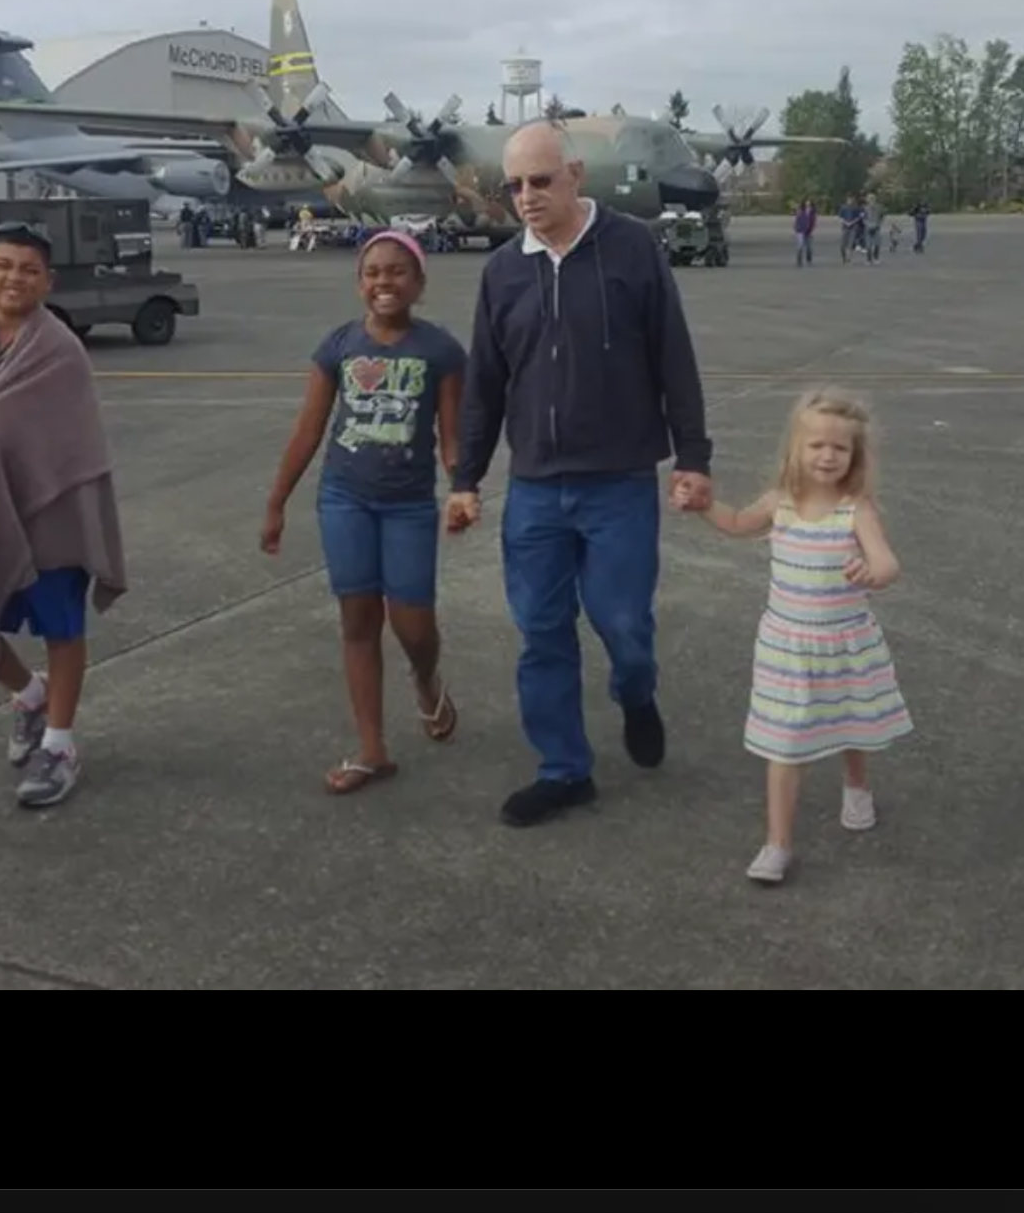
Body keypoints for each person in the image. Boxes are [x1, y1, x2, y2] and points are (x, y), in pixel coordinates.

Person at [445, 119, 713, 828]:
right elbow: (485, 386)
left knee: (623, 624)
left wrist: (693, 458)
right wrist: (466, 478)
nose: (525, 197)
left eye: (539, 181)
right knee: (541, 631)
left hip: (618, 481)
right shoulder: (503, 271)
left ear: (575, 175)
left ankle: (636, 693)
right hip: (535, 488)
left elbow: (673, 356)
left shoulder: (632, 249)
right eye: (513, 185)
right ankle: (564, 770)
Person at [673, 388, 912, 883]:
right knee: (783, 743)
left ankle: (856, 785)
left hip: (844, 642)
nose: (827, 455)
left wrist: (872, 573)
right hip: (786, 646)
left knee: (851, 721)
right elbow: (737, 524)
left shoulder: (856, 509)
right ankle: (777, 843)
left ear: (855, 455)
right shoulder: (779, 502)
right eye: (816, 444)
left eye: (839, 447)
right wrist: (704, 505)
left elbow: (887, 562)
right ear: (796, 449)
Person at [0, 220, 127, 808]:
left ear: (48, 282)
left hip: (52, 506)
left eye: (30, 270)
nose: (15, 277)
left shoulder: (60, 350)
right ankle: (30, 694)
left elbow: (73, 440)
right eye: (5, 265)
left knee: (61, 629)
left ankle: (60, 746)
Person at [261, 229, 465, 795]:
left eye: (397, 271)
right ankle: (372, 750)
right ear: (359, 284)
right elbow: (308, 430)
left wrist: (462, 489)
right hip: (344, 499)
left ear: (418, 282)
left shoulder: (441, 351)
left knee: (413, 625)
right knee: (357, 621)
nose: (384, 282)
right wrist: (277, 503)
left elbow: (453, 439)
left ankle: (426, 679)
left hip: (408, 506)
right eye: (372, 272)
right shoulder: (339, 346)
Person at [793, 197, 817, 267]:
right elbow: (797, 220)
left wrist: (811, 231)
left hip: (808, 232)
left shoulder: (812, 212)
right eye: (807, 202)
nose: (808, 204)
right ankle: (799, 261)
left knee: (809, 248)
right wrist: (796, 229)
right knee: (800, 246)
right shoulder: (800, 211)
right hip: (800, 231)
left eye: (809, 203)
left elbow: (813, 222)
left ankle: (809, 259)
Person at [838, 195, 862, 261]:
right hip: (845, 227)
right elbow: (840, 217)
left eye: (851, 200)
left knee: (850, 244)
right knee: (842, 245)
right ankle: (844, 257)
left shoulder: (856, 208)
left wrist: (852, 222)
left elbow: (858, 217)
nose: (850, 201)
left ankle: (849, 258)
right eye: (849, 200)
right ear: (847, 200)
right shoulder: (843, 207)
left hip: (853, 228)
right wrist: (845, 222)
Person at [864, 191, 884, 263]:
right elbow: (863, 218)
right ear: (867, 200)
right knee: (868, 245)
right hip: (868, 228)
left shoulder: (879, 207)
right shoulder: (865, 208)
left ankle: (876, 258)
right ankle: (868, 259)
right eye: (869, 198)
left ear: (875, 199)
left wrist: (878, 224)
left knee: (877, 244)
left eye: (872, 198)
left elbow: (881, 217)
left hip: (876, 227)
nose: (871, 200)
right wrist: (867, 224)